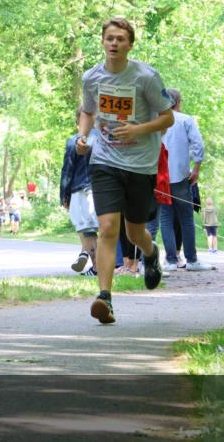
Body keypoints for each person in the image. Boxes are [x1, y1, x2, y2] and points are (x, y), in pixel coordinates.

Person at [76, 17, 174, 324]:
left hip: (141, 163)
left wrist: (138, 129)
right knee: (107, 227)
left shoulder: (145, 77)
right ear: (103, 42)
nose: (114, 43)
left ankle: (150, 252)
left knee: (133, 232)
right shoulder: (92, 77)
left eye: (120, 38)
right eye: (109, 38)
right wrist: (83, 136)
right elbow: (88, 111)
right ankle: (105, 297)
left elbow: (167, 118)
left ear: (130, 44)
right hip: (104, 160)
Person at [158, 89, 212, 272]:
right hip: (181, 176)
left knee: (165, 218)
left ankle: (171, 260)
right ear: (178, 102)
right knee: (186, 219)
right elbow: (198, 144)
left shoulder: (155, 119)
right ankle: (191, 259)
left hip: (160, 177)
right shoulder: (186, 120)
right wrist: (196, 169)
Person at [60, 109, 98, 275]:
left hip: (79, 189)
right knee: (97, 229)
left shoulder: (74, 141)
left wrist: (64, 195)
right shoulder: (102, 140)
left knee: (86, 230)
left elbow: (67, 170)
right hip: (101, 189)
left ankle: (94, 264)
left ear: (78, 122)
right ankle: (91, 260)